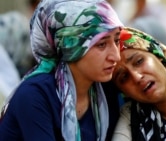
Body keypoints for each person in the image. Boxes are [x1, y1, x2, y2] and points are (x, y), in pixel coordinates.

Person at [0, 0, 123, 140]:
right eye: (101, 44)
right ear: (70, 48)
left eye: (117, 40)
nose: (116, 56)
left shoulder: (105, 90)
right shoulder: (35, 94)